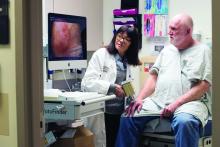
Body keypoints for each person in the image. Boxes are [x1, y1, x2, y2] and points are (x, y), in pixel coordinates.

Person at [115, 13, 212, 147]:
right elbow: (153, 77)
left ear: (188, 31)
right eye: (169, 28)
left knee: (185, 122)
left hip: (190, 105)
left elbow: (204, 86)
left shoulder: (203, 51)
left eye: (174, 29)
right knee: (128, 116)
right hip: (159, 101)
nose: (169, 32)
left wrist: (175, 105)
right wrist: (140, 98)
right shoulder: (166, 51)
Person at [81, 25, 141, 147]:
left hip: (120, 114)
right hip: (102, 113)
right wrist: (112, 87)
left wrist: (131, 97)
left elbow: (128, 85)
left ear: (132, 44)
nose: (121, 40)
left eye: (127, 39)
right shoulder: (101, 54)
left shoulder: (129, 62)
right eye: (119, 36)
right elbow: (87, 83)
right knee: (103, 142)